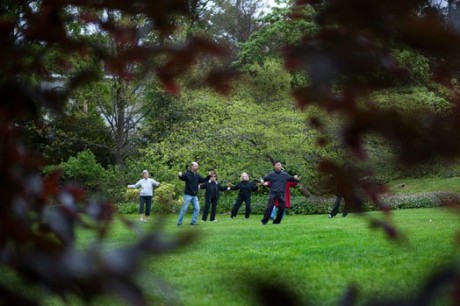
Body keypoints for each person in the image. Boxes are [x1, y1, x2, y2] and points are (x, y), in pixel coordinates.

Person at [177, 162, 210, 226]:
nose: (197, 167)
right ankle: (179, 223)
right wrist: (179, 175)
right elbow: (182, 177)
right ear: (192, 166)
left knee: (197, 209)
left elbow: (203, 180)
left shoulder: (197, 175)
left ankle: (193, 222)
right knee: (184, 209)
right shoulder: (187, 174)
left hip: (194, 196)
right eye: (196, 166)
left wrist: (208, 176)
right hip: (187, 195)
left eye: (197, 166)